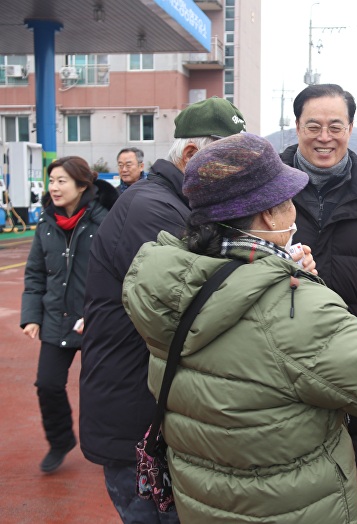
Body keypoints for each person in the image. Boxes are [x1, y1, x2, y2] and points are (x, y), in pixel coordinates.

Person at [121, 133, 357, 524]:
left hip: (204, 499)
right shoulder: (292, 306)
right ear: (270, 214)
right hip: (292, 506)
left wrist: (279, 271)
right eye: (289, 202)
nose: (294, 214)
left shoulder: (171, 279)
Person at [79, 97, 247, 523]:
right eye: (232, 167)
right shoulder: (152, 209)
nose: (240, 181)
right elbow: (198, 305)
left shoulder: (178, 203)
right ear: (191, 156)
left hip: (149, 407)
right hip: (135, 417)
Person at [280, 83, 357, 478]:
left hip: (352, 361)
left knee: (346, 481)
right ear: (296, 127)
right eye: (313, 126)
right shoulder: (265, 189)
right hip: (280, 361)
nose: (324, 138)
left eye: (335, 126)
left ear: (351, 128)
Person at [20, 156, 117, 473]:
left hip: (94, 319)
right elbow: (35, 274)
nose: (54, 187)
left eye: (62, 180)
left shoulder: (104, 222)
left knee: (102, 388)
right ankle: (60, 441)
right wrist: (32, 316)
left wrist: (98, 313)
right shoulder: (46, 224)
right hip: (55, 318)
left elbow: (117, 273)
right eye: (52, 181)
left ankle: (108, 447)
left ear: (81, 184)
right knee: (47, 384)